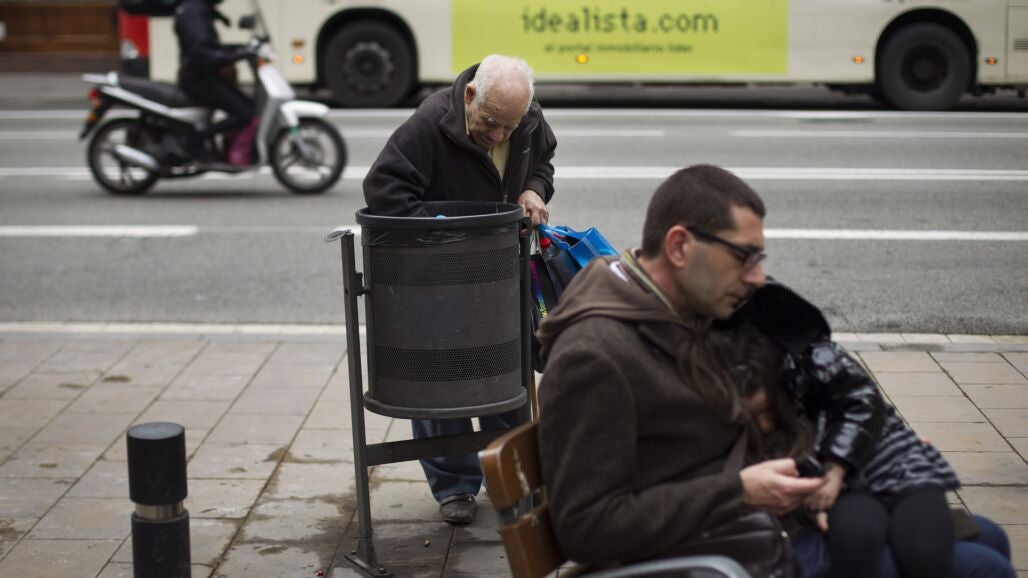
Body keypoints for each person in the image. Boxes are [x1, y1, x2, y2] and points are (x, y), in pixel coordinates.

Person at [536, 164, 1016, 577]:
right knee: (985, 567)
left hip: (755, 525)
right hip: (721, 552)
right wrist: (741, 493)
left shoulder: (673, 308)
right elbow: (587, 528)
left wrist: (854, 458)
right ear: (679, 247)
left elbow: (715, 437)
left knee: (988, 538)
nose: (758, 276)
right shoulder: (597, 355)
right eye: (743, 257)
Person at [363, 54, 557, 524]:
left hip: (501, 274)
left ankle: (512, 478)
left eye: (509, 127)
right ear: (470, 95)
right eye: (489, 122)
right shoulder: (429, 124)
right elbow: (384, 193)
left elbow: (543, 160)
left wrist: (534, 189)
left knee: (508, 377)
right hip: (439, 280)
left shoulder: (527, 117)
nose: (499, 135)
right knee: (442, 382)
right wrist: (450, 232)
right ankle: (454, 487)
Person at [715, 295, 962, 578]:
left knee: (925, 551)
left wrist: (834, 471)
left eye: (768, 411)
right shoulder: (739, 393)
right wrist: (810, 500)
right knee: (855, 540)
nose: (764, 423)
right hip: (847, 489)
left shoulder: (812, 359)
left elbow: (864, 402)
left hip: (893, 465)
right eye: (752, 418)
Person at [174, 0, 255, 162]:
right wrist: (230, 56)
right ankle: (196, 139)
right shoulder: (194, 13)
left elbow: (210, 46)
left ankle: (227, 149)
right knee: (244, 113)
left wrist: (238, 49)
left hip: (206, 75)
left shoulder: (199, 8)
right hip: (198, 78)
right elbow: (200, 51)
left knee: (250, 106)